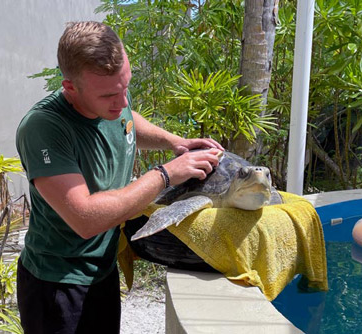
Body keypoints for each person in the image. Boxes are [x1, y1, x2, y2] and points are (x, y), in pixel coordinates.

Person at [15, 21, 223, 334]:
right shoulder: (43, 129)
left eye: (126, 86)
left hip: (103, 270)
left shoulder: (108, 101)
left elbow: (126, 120)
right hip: (57, 285)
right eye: (111, 94)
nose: (123, 101)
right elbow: (85, 218)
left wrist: (174, 142)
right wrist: (166, 175)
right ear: (71, 88)